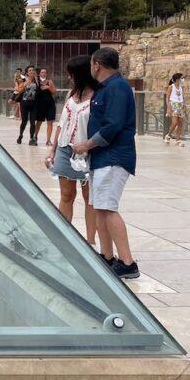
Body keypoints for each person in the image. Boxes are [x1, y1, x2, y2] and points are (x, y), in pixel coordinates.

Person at [72, 48, 139, 279]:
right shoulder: (105, 89)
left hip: (113, 157)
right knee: (99, 207)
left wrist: (86, 145)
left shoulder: (118, 88)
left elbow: (113, 125)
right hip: (101, 159)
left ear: (97, 65)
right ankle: (107, 256)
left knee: (108, 208)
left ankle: (128, 262)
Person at [45, 56, 98, 248]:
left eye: (71, 74)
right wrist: (52, 150)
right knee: (66, 195)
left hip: (87, 151)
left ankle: (90, 241)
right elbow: (62, 123)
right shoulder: (71, 94)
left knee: (89, 198)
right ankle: (63, 239)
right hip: (65, 149)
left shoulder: (97, 96)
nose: (69, 78)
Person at [33, 67, 58, 146]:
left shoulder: (49, 81)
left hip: (50, 104)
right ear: (39, 73)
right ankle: (35, 137)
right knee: (39, 122)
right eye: (42, 72)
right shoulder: (36, 82)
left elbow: (54, 91)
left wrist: (48, 87)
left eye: (45, 72)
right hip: (40, 105)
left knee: (50, 122)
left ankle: (48, 140)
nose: (44, 73)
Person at [16, 65, 39, 145]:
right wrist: (25, 84)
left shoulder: (37, 80)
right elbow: (18, 91)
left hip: (34, 104)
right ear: (27, 72)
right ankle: (20, 135)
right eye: (30, 70)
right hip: (24, 103)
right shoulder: (23, 80)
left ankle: (31, 139)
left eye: (33, 70)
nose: (32, 71)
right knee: (24, 121)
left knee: (33, 122)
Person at [164, 72, 186, 147]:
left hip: (180, 105)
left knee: (180, 123)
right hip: (173, 105)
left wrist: (184, 104)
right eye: (181, 78)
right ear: (177, 79)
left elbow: (182, 96)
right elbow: (167, 97)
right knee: (175, 122)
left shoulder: (181, 87)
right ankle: (168, 134)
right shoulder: (171, 87)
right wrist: (168, 107)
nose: (182, 80)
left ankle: (178, 140)